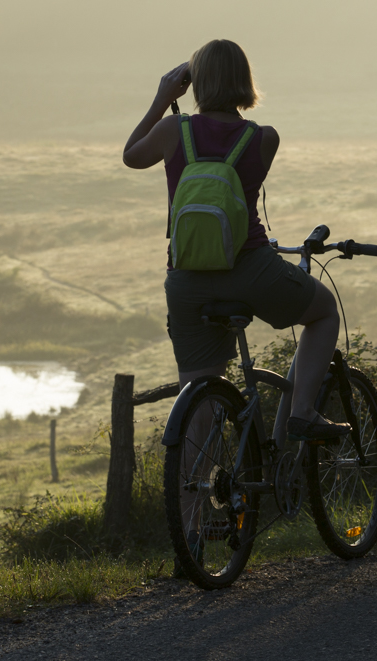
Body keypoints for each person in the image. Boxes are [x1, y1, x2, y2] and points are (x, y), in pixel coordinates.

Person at [122, 39, 349, 441]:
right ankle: (302, 413)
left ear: (195, 83)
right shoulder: (264, 138)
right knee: (325, 310)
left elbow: (131, 155)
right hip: (250, 268)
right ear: (244, 80)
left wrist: (162, 97)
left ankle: (193, 499)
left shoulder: (174, 130)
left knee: (197, 407)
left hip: (186, 280)